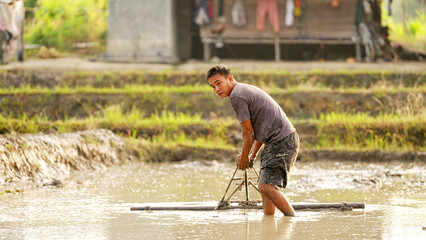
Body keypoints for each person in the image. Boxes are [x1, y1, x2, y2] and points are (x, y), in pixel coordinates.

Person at [206, 65, 300, 216]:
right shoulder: (242, 91)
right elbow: (258, 132)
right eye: (213, 86)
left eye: (219, 83)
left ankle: (292, 220)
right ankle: (269, 223)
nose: (216, 89)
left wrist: (244, 157)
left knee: (264, 187)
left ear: (230, 79)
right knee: (267, 189)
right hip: (279, 140)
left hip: (282, 141)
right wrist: (252, 155)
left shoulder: (237, 96)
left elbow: (248, 132)